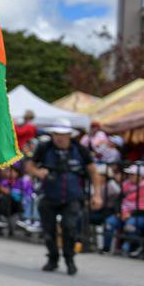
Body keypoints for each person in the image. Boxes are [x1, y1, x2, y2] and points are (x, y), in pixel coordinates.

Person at [25, 118, 102, 275]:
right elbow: (29, 166)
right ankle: (52, 258)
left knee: (70, 227)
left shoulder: (80, 150)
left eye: (63, 134)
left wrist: (97, 194)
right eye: (56, 134)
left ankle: (69, 259)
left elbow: (93, 171)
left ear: (69, 135)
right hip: (49, 195)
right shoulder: (45, 148)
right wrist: (39, 173)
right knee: (48, 230)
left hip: (72, 196)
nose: (59, 137)